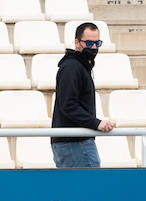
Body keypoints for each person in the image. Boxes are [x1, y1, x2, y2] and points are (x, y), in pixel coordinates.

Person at [52, 21, 115, 169]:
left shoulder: (79, 66)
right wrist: (96, 123)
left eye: (97, 43)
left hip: (73, 142)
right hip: (74, 143)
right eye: (88, 43)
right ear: (77, 42)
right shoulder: (72, 67)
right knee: (89, 190)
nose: (93, 47)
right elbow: (68, 105)